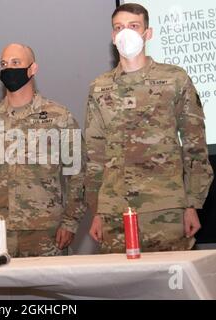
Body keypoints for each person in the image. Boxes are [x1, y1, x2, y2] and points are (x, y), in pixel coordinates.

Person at [85, 3, 214, 253]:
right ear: (113, 37)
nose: (126, 33)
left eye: (134, 26)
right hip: (115, 211)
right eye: (119, 28)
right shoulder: (99, 87)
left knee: (170, 287)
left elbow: (194, 145)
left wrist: (192, 204)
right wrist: (97, 210)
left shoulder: (175, 79)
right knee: (119, 289)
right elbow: (94, 154)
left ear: (148, 33)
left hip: (165, 208)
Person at [0, 43, 86, 258]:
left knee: (50, 289)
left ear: (32, 69)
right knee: (1, 290)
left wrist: (70, 222)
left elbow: (77, 173)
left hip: (47, 231)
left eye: (16, 63)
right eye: (4, 64)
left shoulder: (59, 116)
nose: (9, 69)